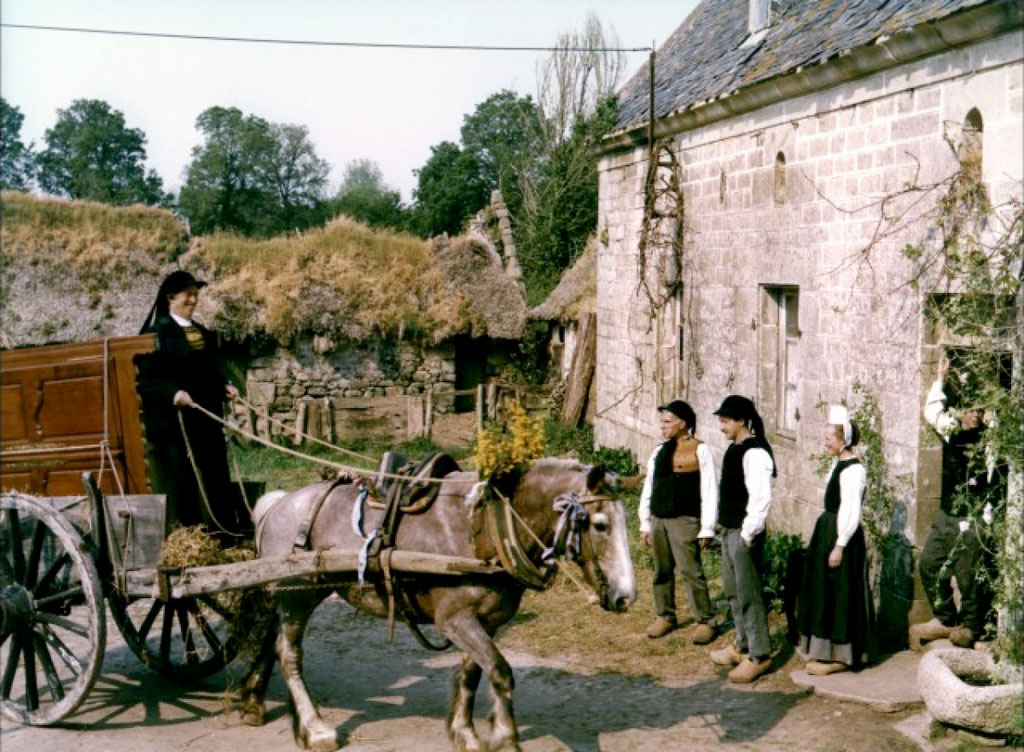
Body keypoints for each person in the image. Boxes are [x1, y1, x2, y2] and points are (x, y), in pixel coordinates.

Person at [137, 270, 242, 535]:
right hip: (174, 426)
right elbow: (146, 381)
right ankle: (187, 536)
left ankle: (220, 533)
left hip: (206, 422)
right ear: (171, 297)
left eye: (196, 295)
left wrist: (224, 387)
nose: (194, 300)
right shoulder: (154, 336)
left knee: (214, 476)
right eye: (188, 295)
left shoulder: (201, 333)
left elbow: (207, 372)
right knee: (183, 480)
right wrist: (173, 394)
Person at [911, 357, 1000, 649]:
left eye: (980, 410)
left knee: (969, 574)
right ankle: (946, 617)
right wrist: (939, 377)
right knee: (929, 564)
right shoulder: (952, 429)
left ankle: (973, 626)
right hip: (948, 513)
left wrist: (985, 516)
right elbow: (932, 411)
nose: (975, 415)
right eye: (971, 409)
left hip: (974, 516)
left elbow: (995, 470)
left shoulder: (990, 440)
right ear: (961, 409)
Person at [796, 405, 874, 674]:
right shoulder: (837, 464)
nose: (824, 441)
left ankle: (842, 657)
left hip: (843, 536)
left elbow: (850, 509)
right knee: (825, 592)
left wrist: (839, 544)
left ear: (844, 441)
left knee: (841, 593)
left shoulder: (854, 470)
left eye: (829, 437)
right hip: (828, 530)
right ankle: (823, 651)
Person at [708, 395, 776, 683]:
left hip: (744, 534)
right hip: (729, 531)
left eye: (725, 421)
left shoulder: (755, 452)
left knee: (749, 594)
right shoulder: (734, 449)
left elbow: (761, 497)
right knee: (733, 591)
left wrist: (748, 534)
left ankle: (760, 655)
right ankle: (742, 643)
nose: (721, 426)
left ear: (741, 421)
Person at [638, 400, 718, 643]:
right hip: (659, 519)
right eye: (662, 421)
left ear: (682, 423)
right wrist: (644, 522)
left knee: (691, 571)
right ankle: (665, 615)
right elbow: (648, 487)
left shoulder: (700, 450)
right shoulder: (658, 452)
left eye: (667, 421)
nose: (662, 426)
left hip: (685, 520)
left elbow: (710, 490)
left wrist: (707, 527)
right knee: (661, 570)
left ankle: (705, 620)